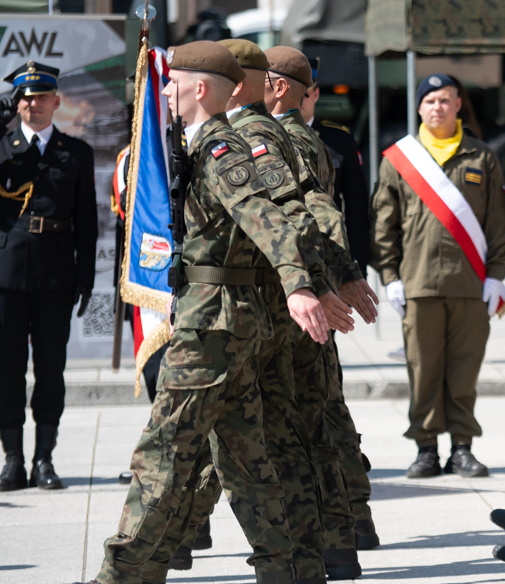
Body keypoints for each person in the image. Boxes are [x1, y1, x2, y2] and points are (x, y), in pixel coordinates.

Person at [84, 41, 333, 584]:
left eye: (172, 84)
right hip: (227, 322)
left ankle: (123, 573)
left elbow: (264, 214)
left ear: (199, 89)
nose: (164, 93)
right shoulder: (201, 145)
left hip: (211, 328)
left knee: (162, 451)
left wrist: (299, 286)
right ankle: (289, 567)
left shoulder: (222, 151)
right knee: (244, 459)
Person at [263, 46, 380, 564]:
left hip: (302, 295)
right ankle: (344, 531)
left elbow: (324, 216)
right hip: (301, 291)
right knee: (317, 414)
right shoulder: (279, 136)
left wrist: (340, 279)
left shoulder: (295, 140)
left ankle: (342, 530)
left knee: (311, 416)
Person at [371, 73, 505, 479]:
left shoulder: (482, 157)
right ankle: (426, 448)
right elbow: (384, 224)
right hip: (417, 285)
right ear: (419, 107)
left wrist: (496, 276)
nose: (438, 107)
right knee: (423, 368)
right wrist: (389, 276)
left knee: (464, 370)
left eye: (446, 100)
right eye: (430, 100)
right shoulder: (399, 159)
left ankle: (462, 447)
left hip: (470, 286)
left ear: (458, 105)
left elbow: (498, 223)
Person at [0, 61, 97, 492]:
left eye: (39, 97)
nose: (30, 104)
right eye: (23, 96)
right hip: (6, 272)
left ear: (57, 102)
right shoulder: (3, 144)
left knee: (51, 369)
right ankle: (13, 460)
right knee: (6, 369)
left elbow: (87, 222)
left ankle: (44, 459)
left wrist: (86, 277)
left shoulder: (76, 152)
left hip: (56, 271)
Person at [299, 61, 371, 276]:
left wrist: (357, 270)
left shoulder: (338, 140)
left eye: (306, 94)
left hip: (327, 258)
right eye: (294, 94)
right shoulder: (263, 138)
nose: (299, 101)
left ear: (316, 94)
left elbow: (356, 209)